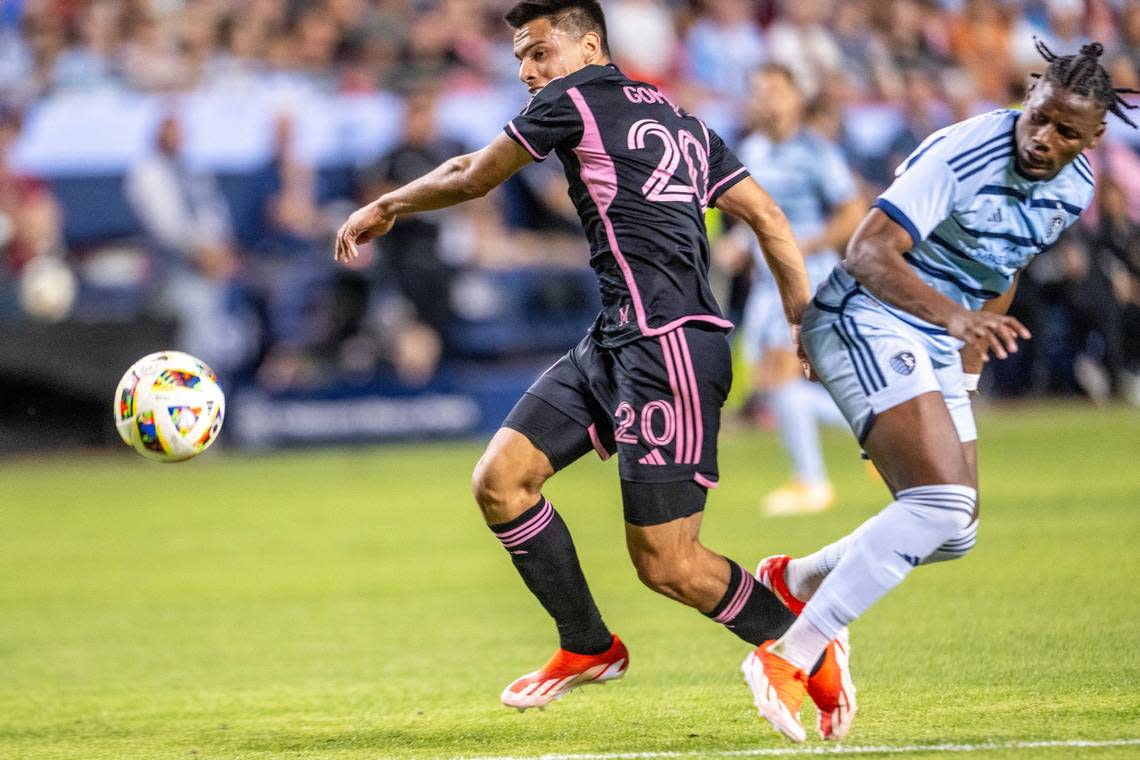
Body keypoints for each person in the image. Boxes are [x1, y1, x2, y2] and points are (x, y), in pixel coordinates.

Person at [334, 0, 852, 735]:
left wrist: (390, 203)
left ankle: (806, 643)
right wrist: (801, 314)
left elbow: (476, 175)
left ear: (588, 46)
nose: (527, 71)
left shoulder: (571, 99)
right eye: (520, 57)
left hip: (667, 346)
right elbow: (767, 217)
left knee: (668, 563)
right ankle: (588, 645)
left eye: (540, 51)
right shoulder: (677, 116)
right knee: (501, 482)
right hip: (617, 337)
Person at [746, 40, 1136, 743]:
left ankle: (797, 577)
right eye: (1039, 117)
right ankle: (789, 653)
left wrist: (966, 365)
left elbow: (1000, 266)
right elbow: (867, 248)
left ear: (1094, 138)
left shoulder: (1074, 187)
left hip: (938, 332)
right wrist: (955, 318)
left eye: (1066, 133)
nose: (1044, 139)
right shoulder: (963, 152)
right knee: (939, 501)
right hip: (866, 310)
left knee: (956, 530)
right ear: (1029, 94)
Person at [730, 63, 864, 516]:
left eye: (774, 91)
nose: (766, 100)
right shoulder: (751, 150)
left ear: (794, 97)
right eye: (758, 92)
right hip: (768, 284)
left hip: (809, 276)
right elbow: (757, 220)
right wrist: (736, 244)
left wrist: (806, 244)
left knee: (783, 378)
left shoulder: (815, 151)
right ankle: (876, 431)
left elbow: (851, 212)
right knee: (774, 384)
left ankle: (812, 482)